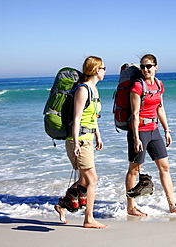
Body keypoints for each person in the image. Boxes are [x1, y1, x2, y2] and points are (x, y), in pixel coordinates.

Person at [125, 54, 176, 216]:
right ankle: (131, 206)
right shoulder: (137, 86)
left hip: (154, 131)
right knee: (134, 170)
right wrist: (136, 138)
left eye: (148, 66)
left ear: (156, 67)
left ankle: (172, 204)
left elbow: (160, 108)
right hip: (139, 131)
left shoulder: (159, 84)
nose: (145, 69)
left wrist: (167, 130)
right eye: (142, 66)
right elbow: (134, 114)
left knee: (165, 167)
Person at [55, 56, 107, 229]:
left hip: (89, 139)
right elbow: (76, 119)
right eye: (103, 68)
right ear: (95, 70)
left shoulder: (94, 90)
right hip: (79, 141)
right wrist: (76, 143)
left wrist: (98, 135)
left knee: (85, 180)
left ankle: (62, 205)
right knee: (92, 180)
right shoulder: (82, 90)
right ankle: (89, 219)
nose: (105, 71)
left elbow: (93, 118)